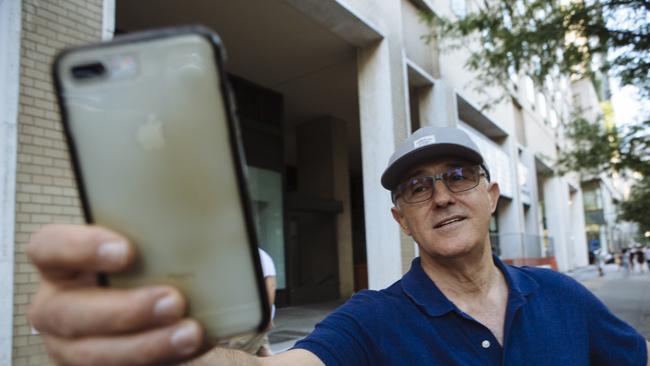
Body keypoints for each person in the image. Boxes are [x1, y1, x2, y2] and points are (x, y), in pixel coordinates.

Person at [27, 127, 649, 365]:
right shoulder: (371, 322)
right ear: (400, 219)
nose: (440, 196)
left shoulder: (566, 298)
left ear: (490, 196)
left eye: (457, 177)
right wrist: (153, 347)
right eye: (416, 187)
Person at [220, 248, 277, 356]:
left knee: (237, 356)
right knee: (263, 352)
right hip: (242, 319)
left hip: (251, 320)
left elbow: (270, 286)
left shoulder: (258, 255)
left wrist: (266, 316)